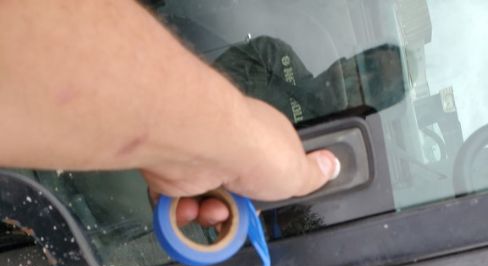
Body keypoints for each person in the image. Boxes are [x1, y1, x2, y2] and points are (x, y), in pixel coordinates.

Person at [0, 0, 340, 229]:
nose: (357, 74)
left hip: (85, 214)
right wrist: (227, 136)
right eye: (363, 63)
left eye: (369, 77)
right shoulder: (274, 55)